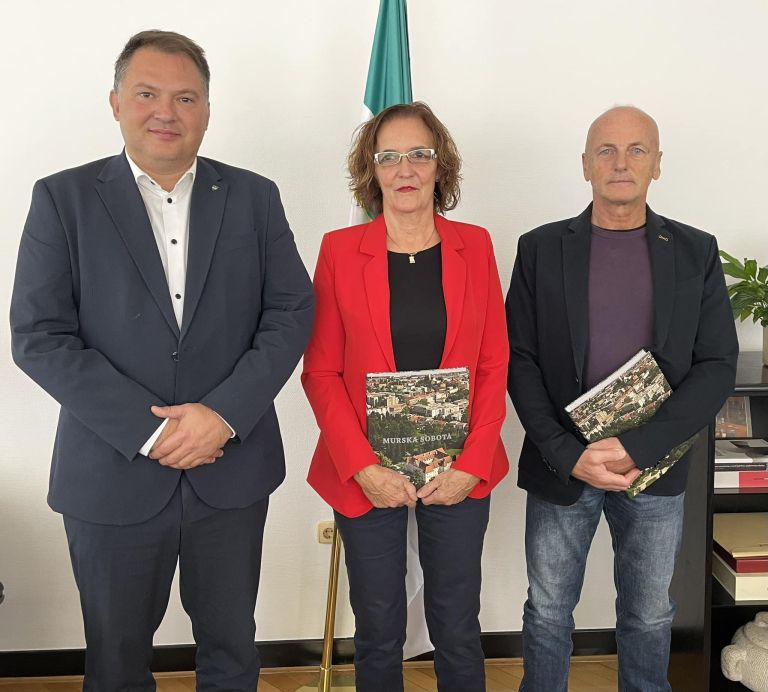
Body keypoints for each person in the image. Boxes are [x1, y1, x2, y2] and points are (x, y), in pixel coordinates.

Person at [10, 30, 314, 691]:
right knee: (115, 664)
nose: (165, 112)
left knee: (232, 653)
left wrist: (223, 416)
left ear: (207, 109)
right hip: (110, 473)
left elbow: (291, 312)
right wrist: (151, 431)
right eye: (147, 94)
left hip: (231, 470)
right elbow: (39, 335)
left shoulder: (254, 197)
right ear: (116, 102)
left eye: (185, 97)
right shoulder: (62, 199)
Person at [506, 105, 738, 691]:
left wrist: (640, 447)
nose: (620, 162)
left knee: (650, 614)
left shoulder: (696, 251)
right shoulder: (539, 249)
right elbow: (519, 360)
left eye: (637, 149)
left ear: (657, 164)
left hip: (653, 467)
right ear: (585, 164)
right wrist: (568, 453)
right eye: (605, 150)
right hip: (563, 465)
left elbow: (716, 366)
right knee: (548, 611)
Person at [302, 101, 509, 692]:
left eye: (419, 153)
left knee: (457, 625)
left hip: (461, 467)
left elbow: (493, 363)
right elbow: (321, 372)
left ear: (440, 164)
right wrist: (363, 468)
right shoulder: (340, 251)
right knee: (378, 627)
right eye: (389, 156)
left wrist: (471, 465)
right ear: (372, 170)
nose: (405, 169)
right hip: (365, 469)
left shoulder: (476, 245)